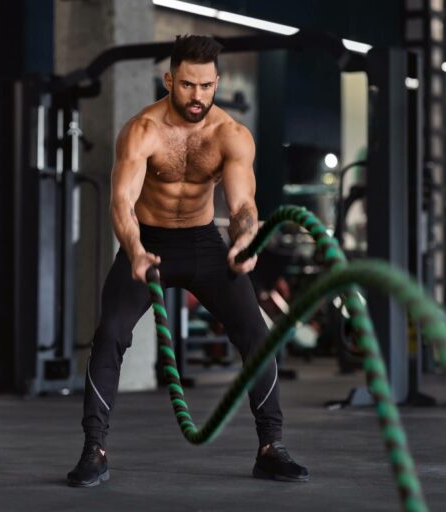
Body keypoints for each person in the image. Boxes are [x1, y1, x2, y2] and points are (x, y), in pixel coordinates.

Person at [67, 34, 308, 487]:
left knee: (257, 334)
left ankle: (271, 447)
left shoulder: (231, 135)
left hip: (203, 245)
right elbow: (122, 202)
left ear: (217, 82)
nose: (197, 96)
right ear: (169, 80)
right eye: (187, 85)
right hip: (148, 242)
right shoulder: (142, 130)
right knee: (110, 334)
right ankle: (93, 450)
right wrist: (134, 249)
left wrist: (245, 240)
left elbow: (242, 205)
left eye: (206, 86)